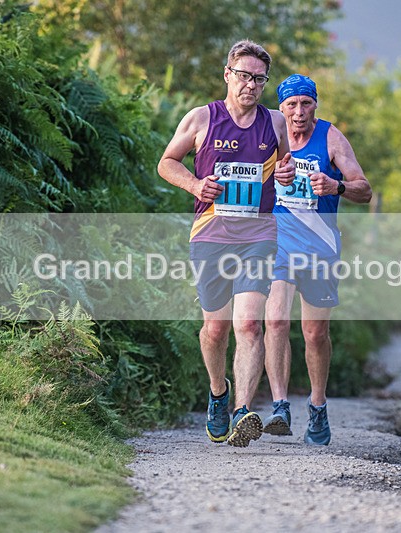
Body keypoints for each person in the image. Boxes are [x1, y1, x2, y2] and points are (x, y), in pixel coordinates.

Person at [157, 40, 295, 447]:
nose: (251, 85)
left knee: (249, 323)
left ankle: (241, 411)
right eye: (244, 76)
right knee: (215, 329)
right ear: (227, 75)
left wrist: (284, 175)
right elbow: (167, 162)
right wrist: (196, 184)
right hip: (211, 233)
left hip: (258, 235)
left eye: (259, 79)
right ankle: (219, 391)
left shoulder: (274, 124)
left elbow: (284, 164)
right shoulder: (201, 119)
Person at [263, 74, 372, 445]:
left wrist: (335, 185)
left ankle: (318, 406)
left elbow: (364, 189)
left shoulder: (330, 137)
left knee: (315, 333)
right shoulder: (271, 135)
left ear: (315, 105)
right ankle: (279, 405)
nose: (298, 112)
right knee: (274, 320)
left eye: (305, 103)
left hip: (320, 248)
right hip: (278, 245)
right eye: (291, 105)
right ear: (281, 108)